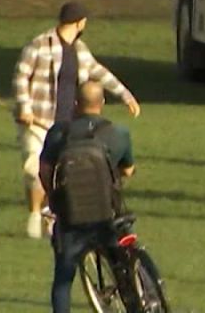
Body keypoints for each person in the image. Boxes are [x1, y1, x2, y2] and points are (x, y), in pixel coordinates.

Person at [13, 1, 141, 239]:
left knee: (60, 174)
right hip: (38, 121)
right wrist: (24, 107)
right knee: (33, 169)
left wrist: (125, 95)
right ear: (80, 22)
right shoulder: (40, 45)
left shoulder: (80, 50)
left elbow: (99, 73)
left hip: (66, 126)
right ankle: (34, 214)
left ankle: (50, 216)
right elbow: (21, 74)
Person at [39, 80, 136, 313]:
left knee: (63, 279)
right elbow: (128, 170)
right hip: (105, 216)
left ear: (75, 104)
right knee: (121, 266)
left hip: (71, 218)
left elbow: (44, 170)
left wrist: (54, 199)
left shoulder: (58, 133)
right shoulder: (118, 133)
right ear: (102, 103)